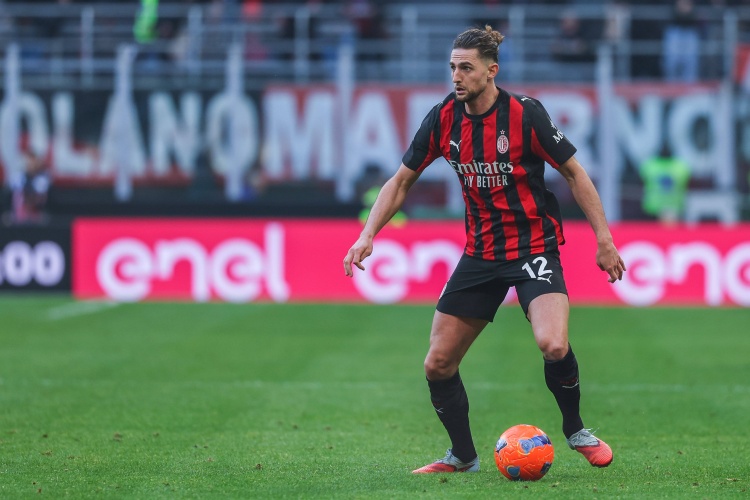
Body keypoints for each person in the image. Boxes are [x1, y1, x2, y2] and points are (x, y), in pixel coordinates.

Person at [343, 25, 626, 474]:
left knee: (553, 344)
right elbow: (401, 181)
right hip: (481, 254)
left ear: (491, 71)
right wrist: (367, 234)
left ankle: (576, 430)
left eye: (466, 68)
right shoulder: (442, 118)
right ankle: (463, 456)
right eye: (453, 67)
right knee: (438, 363)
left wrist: (604, 240)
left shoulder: (526, 115)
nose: (456, 76)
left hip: (533, 248)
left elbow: (575, 173)